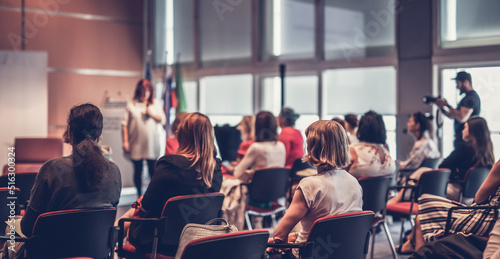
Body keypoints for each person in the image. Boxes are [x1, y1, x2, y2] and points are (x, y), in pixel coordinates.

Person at [2, 103, 122, 259]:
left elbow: (27, 228)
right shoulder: (114, 171)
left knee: (11, 228)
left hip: (48, 254)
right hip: (95, 254)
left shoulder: (51, 169)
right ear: (100, 134)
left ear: (70, 132)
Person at [122, 112, 223, 257]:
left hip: (160, 241)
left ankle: (103, 248)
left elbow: (147, 206)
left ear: (181, 136)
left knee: (130, 214)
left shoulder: (169, 165)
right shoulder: (216, 169)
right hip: (199, 240)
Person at [267, 120, 363, 258]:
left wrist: (277, 241)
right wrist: (293, 237)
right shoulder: (354, 183)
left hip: (311, 254)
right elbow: (336, 229)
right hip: (344, 253)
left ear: (313, 148)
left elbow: (280, 235)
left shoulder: (309, 186)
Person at [398, 158, 500, 255]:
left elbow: (479, 198)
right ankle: (414, 247)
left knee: (424, 204)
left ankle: (415, 248)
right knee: (426, 201)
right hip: (493, 220)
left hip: (485, 220)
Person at [122, 79, 166, 197]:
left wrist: (150, 113)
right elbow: (124, 124)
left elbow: (163, 120)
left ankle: (151, 196)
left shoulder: (155, 103)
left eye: (148, 91)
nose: (145, 93)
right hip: (136, 143)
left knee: (153, 170)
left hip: (151, 143)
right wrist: (125, 141)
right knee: (138, 170)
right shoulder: (131, 103)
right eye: (143, 90)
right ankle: (139, 195)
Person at [234, 111, 286, 183]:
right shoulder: (281, 146)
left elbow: (237, 173)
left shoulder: (256, 147)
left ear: (256, 127)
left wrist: (251, 174)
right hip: (277, 192)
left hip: (257, 191)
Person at [435, 71, 480, 148]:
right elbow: (453, 116)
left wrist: (447, 105)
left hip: (466, 141)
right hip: (461, 139)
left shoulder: (471, 98)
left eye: (458, 83)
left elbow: (462, 118)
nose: (457, 86)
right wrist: (441, 107)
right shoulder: (466, 98)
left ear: (465, 82)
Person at [348, 110, 395, 179]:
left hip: (357, 189)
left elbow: (338, 176)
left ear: (361, 128)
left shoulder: (352, 150)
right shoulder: (386, 152)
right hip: (386, 190)